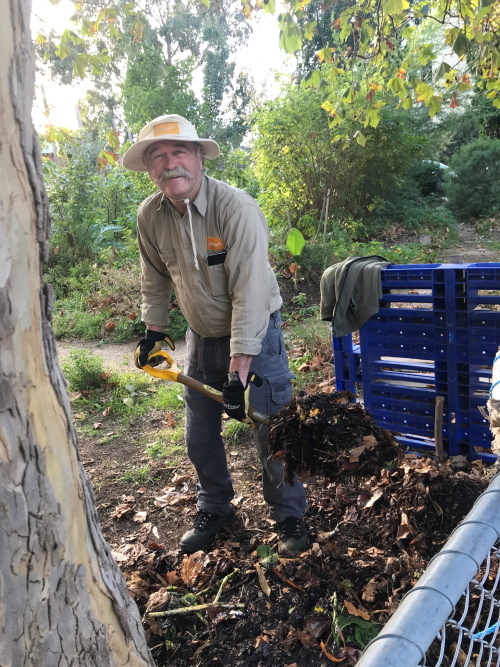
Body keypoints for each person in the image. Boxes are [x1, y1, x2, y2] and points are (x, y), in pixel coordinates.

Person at [122, 114, 308, 554]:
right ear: (150, 169)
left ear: (200, 157)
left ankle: (289, 517)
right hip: (201, 337)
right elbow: (154, 278)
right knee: (199, 433)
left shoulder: (235, 208)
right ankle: (215, 505)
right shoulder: (150, 215)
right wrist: (154, 332)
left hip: (257, 336)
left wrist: (240, 368)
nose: (171, 165)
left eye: (179, 152)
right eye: (159, 157)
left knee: (271, 430)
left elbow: (250, 289)